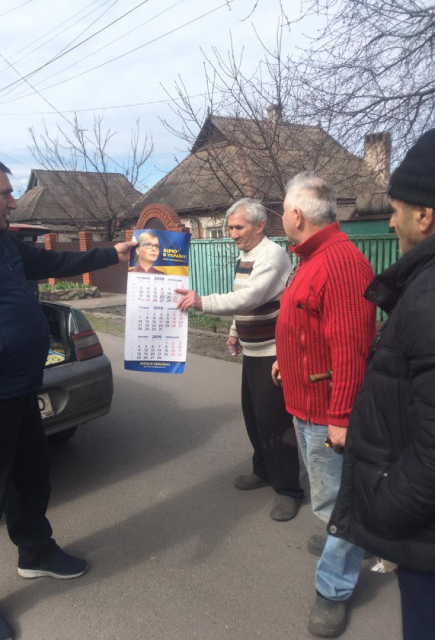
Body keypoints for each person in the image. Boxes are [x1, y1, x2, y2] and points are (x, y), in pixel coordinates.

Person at [0, 154, 134, 640]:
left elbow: (58, 261)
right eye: (5, 194)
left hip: (21, 388)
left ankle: (35, 553)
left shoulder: (4, 243)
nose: (13, 202)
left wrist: (111, 254)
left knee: (31, 480)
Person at [328, 129, 435, 640]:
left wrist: (386, 509)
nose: (389, 221)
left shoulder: (431, 296)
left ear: (425, 215)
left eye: (394, 209)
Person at [272, 172, 376, 637]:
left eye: (282, 209)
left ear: (296, 214)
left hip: (325, 411)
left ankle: (335, 586)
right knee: (327, 493)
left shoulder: (340, 263)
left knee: (339, 499)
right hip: (305, 400)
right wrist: (286, 359)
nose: (281, 216)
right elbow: (305, 322)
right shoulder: (312, 256)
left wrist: (342, 417)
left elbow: (351, 347)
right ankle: (342, 538)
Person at [176, 197, 304, 521]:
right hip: (251, 350)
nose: (232, 233)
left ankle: (288, 489)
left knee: (274, 421)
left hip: (273, 352)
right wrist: (234, 329)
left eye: (238, 227)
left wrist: (202, 301)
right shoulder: (246, 255)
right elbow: (243, 301)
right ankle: (263, 470)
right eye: (230, 226)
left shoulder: (272, 256)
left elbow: (250, 296)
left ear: (259, 226)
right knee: (253, 415)